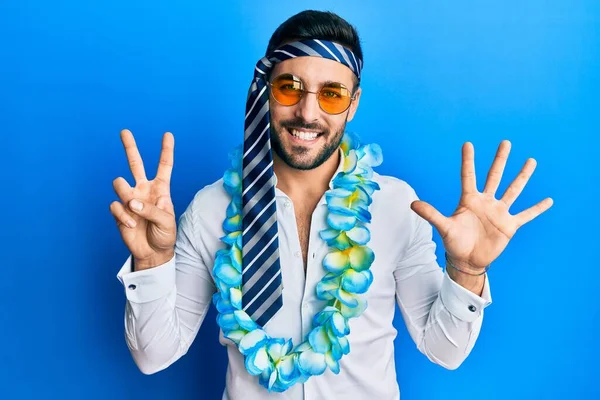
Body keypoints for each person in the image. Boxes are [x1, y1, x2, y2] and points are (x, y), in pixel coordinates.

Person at [110, 10, 553, 400]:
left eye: (331, 94)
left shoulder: (398, 206)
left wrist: (468, 272)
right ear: (266, 94)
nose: (307, 112)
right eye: (290, 88)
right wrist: (151, 260)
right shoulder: (211, 208)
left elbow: (445, 351)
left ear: (352, 104)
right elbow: (154, 357)